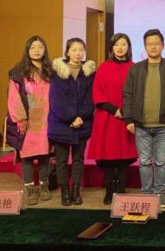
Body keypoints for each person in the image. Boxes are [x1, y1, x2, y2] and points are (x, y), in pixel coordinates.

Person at [123, 29, 165, 208]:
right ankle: (147, 195)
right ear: (145, 46)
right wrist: (128, 119)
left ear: (163, 45)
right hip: (141, 125)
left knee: (161, 162)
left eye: (157, 43)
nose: (153, 46)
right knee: (144, 162)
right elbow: (128, 95)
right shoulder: (136, 69)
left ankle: (159, 194)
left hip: (164, 125)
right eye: (150, 44)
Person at [87, 33, 138, 205]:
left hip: (127, 118)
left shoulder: (134, 68)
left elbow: (139, 93)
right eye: (116, 45)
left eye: (123, 44)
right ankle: (109, 190)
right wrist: (114, 109)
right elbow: (97, 92)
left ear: (128, 47)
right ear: (111, 48)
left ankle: (121, 188)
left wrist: (125, 111)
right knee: (108, 156)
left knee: (124, 156)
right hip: (107, 117)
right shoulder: (103, 67)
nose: (120, 48)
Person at [48, 37, 96, 206]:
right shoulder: (57, 73)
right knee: (61, 161)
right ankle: (65, 191)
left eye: (81, 50)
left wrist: (81, 117)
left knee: (78, 159)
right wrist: (70, 118)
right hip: (61, 124)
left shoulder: (89, 72)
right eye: (74, 50)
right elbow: (56, 99)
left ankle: (76, 190)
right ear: (67, 52)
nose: (78, 53)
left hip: (83, 123)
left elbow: (91, 98)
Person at [6, 36, 53, 205]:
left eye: (40, 47)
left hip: (46, 120)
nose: (36, 50)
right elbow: (14, 97)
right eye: (33, 47)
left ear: (44, 50)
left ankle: (44, 186)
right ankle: (30, 189)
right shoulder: (18, 72)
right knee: (27, 156)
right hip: (28, 121)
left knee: (44, 154)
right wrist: (21, 119)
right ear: (27, 50)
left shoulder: (51, 70)